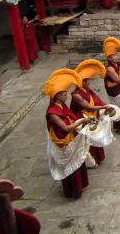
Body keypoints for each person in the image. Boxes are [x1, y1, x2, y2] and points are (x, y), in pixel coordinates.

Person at [44, 68, 91, 199]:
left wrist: (84, 121)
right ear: (58, 96)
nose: (67, 95)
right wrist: (82, 121)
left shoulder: (62, 106)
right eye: (64, 93)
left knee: (77, 161)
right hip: (63, 141)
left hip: (72, 137)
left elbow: (72, 117)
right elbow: (64, 128)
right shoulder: (52, 112)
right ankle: (73, 191)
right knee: (70, 165)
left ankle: (81, 184)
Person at [71, 59, 114, 166]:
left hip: (91, 115)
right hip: (81, 117)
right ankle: (90, 160)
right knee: (87, 140)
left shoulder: (87, 89)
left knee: (95, 134)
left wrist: (104, 107)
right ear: (83, 82)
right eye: (88, 80)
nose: (90, 82)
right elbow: (88, 106)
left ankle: (98, 157)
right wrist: (103, 107)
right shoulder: (76, 94)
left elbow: (96, 99)